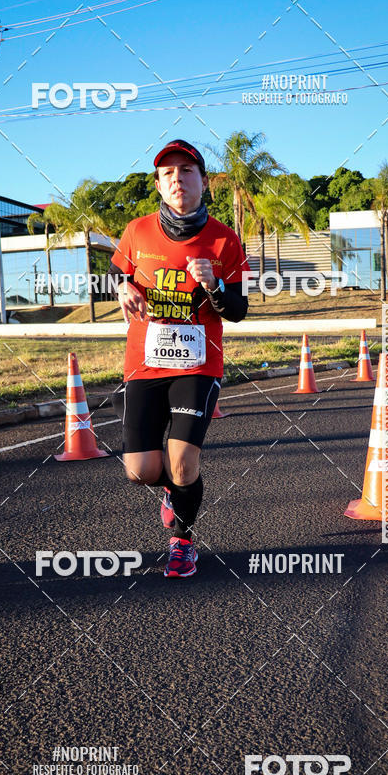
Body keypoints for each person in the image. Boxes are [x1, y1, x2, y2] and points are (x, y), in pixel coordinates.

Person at [108, 139, 250, 577]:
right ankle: (171, 490)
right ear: (158, 185)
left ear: (203, 183)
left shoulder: (226, 240)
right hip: (144, 363)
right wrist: (122, 287)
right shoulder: (137, 231)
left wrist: (214, 287)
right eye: (168, 173)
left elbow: (239, 311)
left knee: (184, 465)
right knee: (141, 471)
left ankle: (183, 541)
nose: (177, 179)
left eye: (186, 171)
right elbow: (117, 271)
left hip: (197, 364)